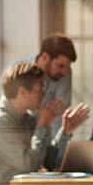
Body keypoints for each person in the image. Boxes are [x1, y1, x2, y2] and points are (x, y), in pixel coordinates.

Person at [13, 34, 77, 168]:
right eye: (60, 66)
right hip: (22, 146)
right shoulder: (18, 72)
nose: (64, 72)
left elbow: (58, 118)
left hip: (43, 143)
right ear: (44, 57)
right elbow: (16, 114)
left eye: (67, 67)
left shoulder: (63, 75)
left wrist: (53, 158)